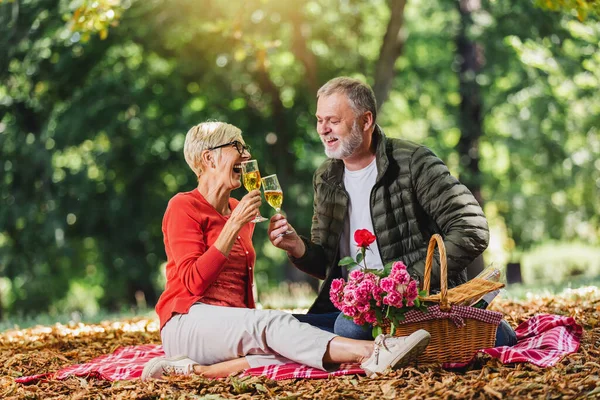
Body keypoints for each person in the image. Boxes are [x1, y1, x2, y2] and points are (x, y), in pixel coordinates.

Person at [141, 121, 432, 381]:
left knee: (288, 342)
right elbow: (193, 281)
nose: (246, 156)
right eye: (236, 147)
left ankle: (194, 370)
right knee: (274, 325)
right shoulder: (183, 206)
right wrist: (233, 227)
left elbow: (240, 293)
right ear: (208, 158)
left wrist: (287, 242)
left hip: (228, 329)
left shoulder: (235, 209)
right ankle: (373, 351)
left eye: (245, 148)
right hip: (187, 323)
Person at [268, 77, 517, 347]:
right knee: (279, 326)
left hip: (417, 302)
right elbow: (328, 265)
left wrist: (407, 282)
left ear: (366, 121)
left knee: (346, 328)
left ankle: (469, 327)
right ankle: (427, 338)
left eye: (334, 120)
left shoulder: (413, 162)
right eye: (319, 120)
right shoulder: (326, 177)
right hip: (359, 309)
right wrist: (297, 247)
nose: (323, 129)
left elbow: (472, 228)